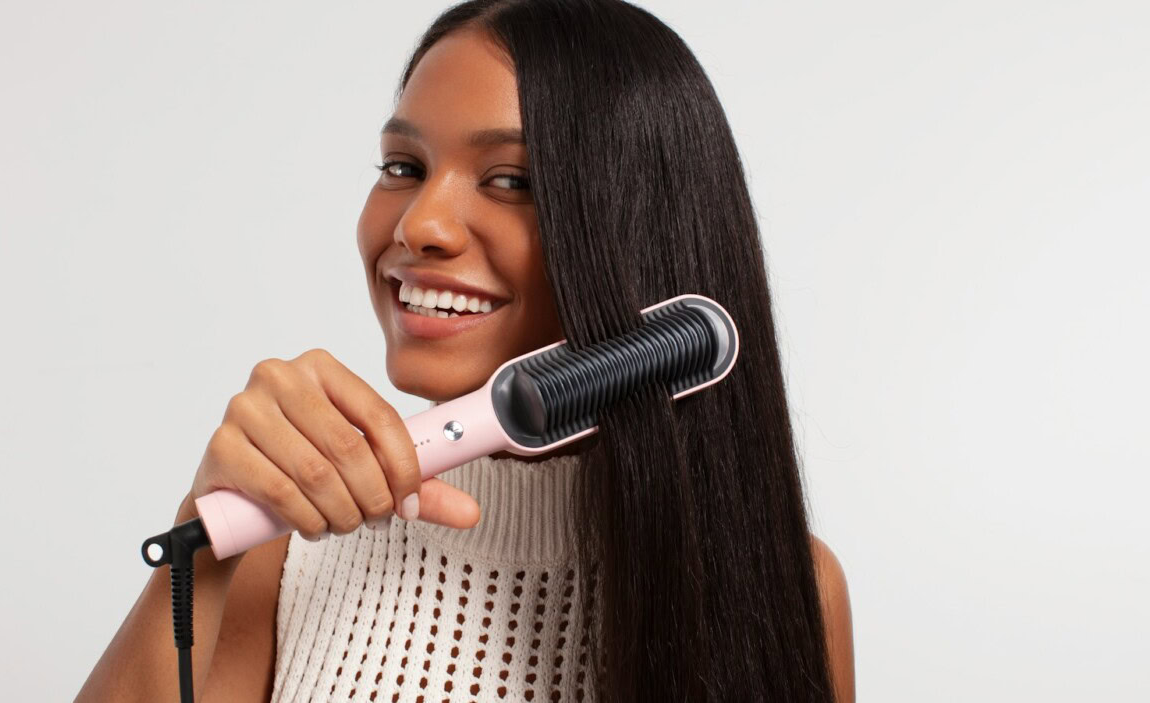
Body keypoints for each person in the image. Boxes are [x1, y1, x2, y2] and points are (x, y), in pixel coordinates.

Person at [77, 1, 855, 701]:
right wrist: (202, 547)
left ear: (633, 232)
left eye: (512, 179)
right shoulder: (284, 552)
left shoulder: (786, 585)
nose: (419, 223)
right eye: (402, 167)